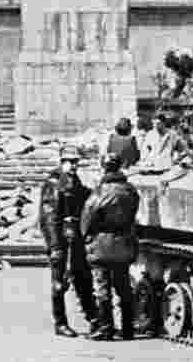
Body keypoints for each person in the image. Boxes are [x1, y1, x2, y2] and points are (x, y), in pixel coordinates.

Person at [38, 144, 99, 338]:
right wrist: (55, 245)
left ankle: (93, 318)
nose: (74, 165)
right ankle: (60, 322)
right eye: (70, 162)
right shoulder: (53, 183)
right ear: (62, 162)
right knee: (59, 282)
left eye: (76, 162)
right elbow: (49, 217)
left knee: (83, 278)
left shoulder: (73, 180)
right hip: (61, 238)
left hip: (76, 237)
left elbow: (82, 196)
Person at [81, 153, 140, 341]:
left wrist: (86, 236)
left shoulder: (100, 191)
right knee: (124, 287)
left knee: (102, 287)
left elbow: (87, 219)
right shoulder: (130, 190)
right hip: (124, 241)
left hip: (102, 244)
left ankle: (106, 328)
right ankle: (128, 328)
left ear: (104, 167)